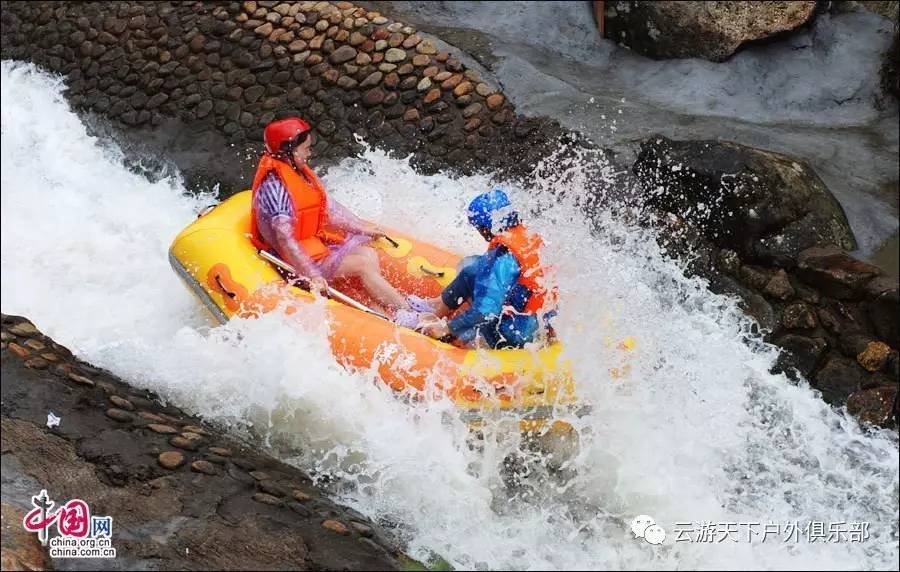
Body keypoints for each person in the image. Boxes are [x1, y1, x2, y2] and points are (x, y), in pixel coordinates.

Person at [250, 116, 420, 324]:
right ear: (290, 150)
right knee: (362, 265)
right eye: (306, 148)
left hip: (312, 247)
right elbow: (285, 239)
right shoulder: (276, 190)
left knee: (367, 254)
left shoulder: (297, 173)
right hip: (294, 260)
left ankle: (386, 308)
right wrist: (312, 275)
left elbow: (327, 211)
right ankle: (411, 315)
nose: (309, 153)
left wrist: (361, 228)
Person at [411, 188, 557, 349]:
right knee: (470, 271)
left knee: (479, 305)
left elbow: (485, 312)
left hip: (511, 336)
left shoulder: (502, 258)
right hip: (535, 327)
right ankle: (435, 311)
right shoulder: (529, 237)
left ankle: (447, 335)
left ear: (485, 228)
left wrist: (449, 328)